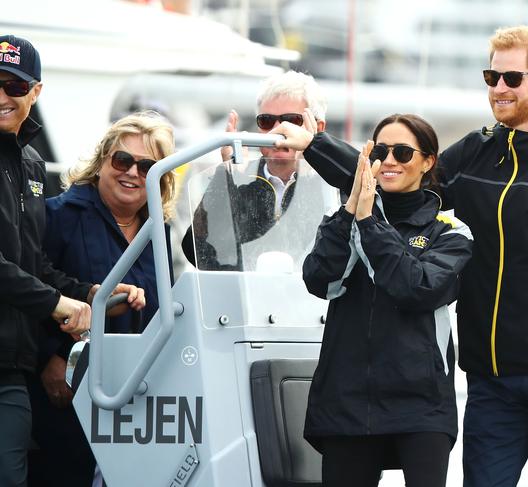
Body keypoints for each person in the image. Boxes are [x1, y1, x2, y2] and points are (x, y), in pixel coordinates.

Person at [272, 25, 528, 487]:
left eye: (512, 79)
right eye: (491, 77)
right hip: (491, 381)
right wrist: (314, 146)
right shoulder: (479, 151)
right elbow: (395, 176)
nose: (498, 89)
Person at [0, 35, 144, 487]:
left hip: (10, 368)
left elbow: (34, 263)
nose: (2, 96)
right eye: (123, 159)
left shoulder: (31, 165)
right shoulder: (62, 200)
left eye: (14, 86)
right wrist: (59, 306)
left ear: (36, 92)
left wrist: (91, 295)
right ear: (103, 162)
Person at [302, 114, 473, 487]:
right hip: (346, 400)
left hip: (421, 403)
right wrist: (352, 213)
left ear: (428, 162)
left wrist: (370, 224)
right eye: (381, 151)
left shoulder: (450, 230)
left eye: (403, 151)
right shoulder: (344, 217)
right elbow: (318, 280)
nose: (390, 160)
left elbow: (417, 287)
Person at [27, 111, 177, 487]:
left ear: (161, 179)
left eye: (147, 166)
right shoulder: (58, 215)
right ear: (102, 161)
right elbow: (32, 288)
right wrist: (50, 357)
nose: (132, 173)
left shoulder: (159, 233)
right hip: (67, 395)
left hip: (137, 399)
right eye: (123, 160)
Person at [181, 70, 327, 269]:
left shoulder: (333, 184)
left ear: (317, 128)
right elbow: (198, 251)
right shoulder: (240, 177)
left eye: (291, 121)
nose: (277, 131)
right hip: (244, 295)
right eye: (266, 121)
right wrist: (226, 177)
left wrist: (308, 179)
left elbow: (327, 255)